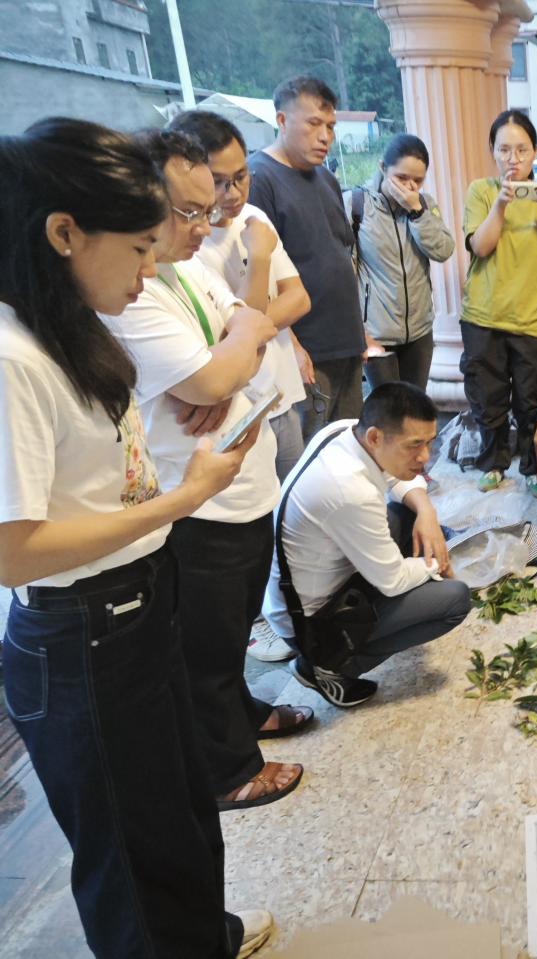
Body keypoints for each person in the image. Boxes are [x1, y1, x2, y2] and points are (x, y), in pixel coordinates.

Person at [0, 118, 272, 958]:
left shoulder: (75, 322)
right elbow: (15, 550)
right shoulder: (13, 357)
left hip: (139, 601)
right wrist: (181, 499)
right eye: (139, 249)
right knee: (133, 853)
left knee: (182, 815)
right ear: (63, 233)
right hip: (83, 632)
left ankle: (206, 938)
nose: (152, 270)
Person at [100, 129, 308, 812]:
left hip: (242, 485)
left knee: (237, 624)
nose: (206, 221)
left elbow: (253, 322)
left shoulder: (186, 268)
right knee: (208, 649)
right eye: (188, 209)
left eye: (208, 205)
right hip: (196, 503)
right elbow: (218, 371)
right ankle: (228, 769)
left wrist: (228, 361)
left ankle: (244, 714)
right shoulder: (133, 294)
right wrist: (226, 366)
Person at [262, 383, 472, 707]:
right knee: (454, 599)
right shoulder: (349, 490)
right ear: (375, 437)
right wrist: (438, 562)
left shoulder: (346, 431)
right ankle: (329, 666)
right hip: (309, 620)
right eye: (414, 445)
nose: (425, 457)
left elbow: (398, 477)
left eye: (429, 442)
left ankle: (354, 639)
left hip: (314, 581)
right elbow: (393, 581)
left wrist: (427, 512)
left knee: (407, 514)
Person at [168, 109, 313, 483]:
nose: (233, 193)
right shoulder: (187, 245)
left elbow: (298, 298)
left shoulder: (254, 218)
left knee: (290, 495)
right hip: (232, 404)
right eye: (218, 182)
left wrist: (250, 329)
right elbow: (241, 328)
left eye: (240, 177)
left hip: (278, 392)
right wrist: (259, 258)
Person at [461, 110, 537, 498]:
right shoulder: (481, 192)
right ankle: (494, 463)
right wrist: (500, 205)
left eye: (522, 150)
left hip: (532, 321)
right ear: (492, 151)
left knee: (532, 402)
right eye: (504, 149)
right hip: (484, 318)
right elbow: (481, 246)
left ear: (535, 152)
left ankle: (533, 467)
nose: (513, 158)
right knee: (488, 399)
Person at [248, 76, 364, 441]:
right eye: (314, 124)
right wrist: (293, 347)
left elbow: (339, 254)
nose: (325, 136)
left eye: (330, 126)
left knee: (349, 443)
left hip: (345, 341)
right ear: (282, 120)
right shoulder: (259, 179)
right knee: (315, 451)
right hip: (307, 349)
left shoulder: (326, 179)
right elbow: (261, 276)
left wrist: (358, 330)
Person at [347, 133, 454, 393]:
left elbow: (443, 250)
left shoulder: (424, 205)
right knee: (388, 407)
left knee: (415, 405)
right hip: (376, 332)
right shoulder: (357, 204)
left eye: (417, 180)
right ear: (383, 168)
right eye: (401, 178)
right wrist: (359, 333)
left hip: (419, 332)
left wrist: (416, 212)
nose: (409, 187)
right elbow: (345, 275)